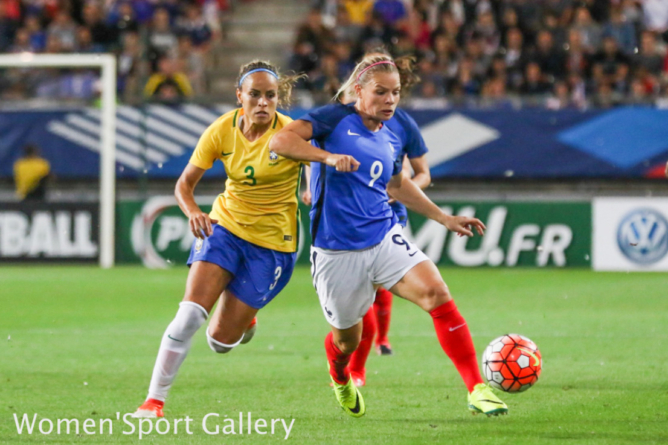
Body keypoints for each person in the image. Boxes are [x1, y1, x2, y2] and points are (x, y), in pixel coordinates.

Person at [269, 54, 508, 418]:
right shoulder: (332, 118)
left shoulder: (392, 134)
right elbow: (279, 142)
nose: (390, 100)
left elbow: (397, 185)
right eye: (380, 92)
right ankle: (340, 376)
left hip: (383, 236)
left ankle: (476, 388)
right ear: (358, 91)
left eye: (395, 93)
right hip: (337, 252)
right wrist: (327, 157)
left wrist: (444, 218)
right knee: (347, 340)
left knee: (436, 293)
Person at [133, 61, 304, 418]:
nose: (262, 103)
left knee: (219, 343)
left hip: (273, 245)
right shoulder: (220, 130)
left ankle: (244, 319)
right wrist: (193, 210)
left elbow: (319, 169)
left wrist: (313, 192)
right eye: (254, 95)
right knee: (189, 316)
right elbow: (183, 185)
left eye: (270, 96)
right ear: (239, 95)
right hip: (223, 227)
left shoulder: (291, 135)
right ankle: (153, 402)